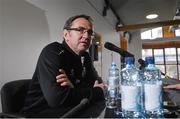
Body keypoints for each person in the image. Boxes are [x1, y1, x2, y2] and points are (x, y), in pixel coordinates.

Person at [21, 14, 105, 117]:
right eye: (80, 30)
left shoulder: (85, 56)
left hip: (72, 108)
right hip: (39, 113)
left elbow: (97, 82)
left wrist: (74, 89)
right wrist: (96, 91)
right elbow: (57, 99)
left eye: (90, 32)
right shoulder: (53, 52)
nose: (86, 36)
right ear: (66, 34)